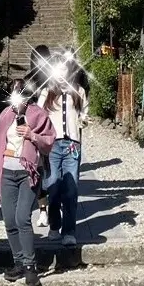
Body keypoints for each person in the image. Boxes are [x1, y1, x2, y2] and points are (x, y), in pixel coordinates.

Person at [0, 83, 56, 286]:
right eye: (14, 97)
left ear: (28, 98)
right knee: (9, 219)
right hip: (7, 171)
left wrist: (31, 135)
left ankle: (30, 265)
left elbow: (48, 142)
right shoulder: (5, 115)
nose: (17, 101)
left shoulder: (38, 115)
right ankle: (18, 261)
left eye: (21, 96)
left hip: (28, 171)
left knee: (22, 218)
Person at [39, 57, 89, 246]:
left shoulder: (79, 92)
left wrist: (83, 120)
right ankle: (54, 225)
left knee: (71, 188)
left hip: (72, 146)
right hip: (52, 145)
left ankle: (69, 231)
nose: (61, 75)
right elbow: (38, 117)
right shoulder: (47, 93)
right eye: (57, 71)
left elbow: (84, 113)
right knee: (53, 186)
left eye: (63, 71)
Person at [25, 45, 53, 229]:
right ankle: (43, 209)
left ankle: (47, 208)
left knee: (46, 172)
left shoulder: (54, 80)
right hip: (36, 129)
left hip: (45, 130)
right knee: (38, 171)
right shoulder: (30, 80)